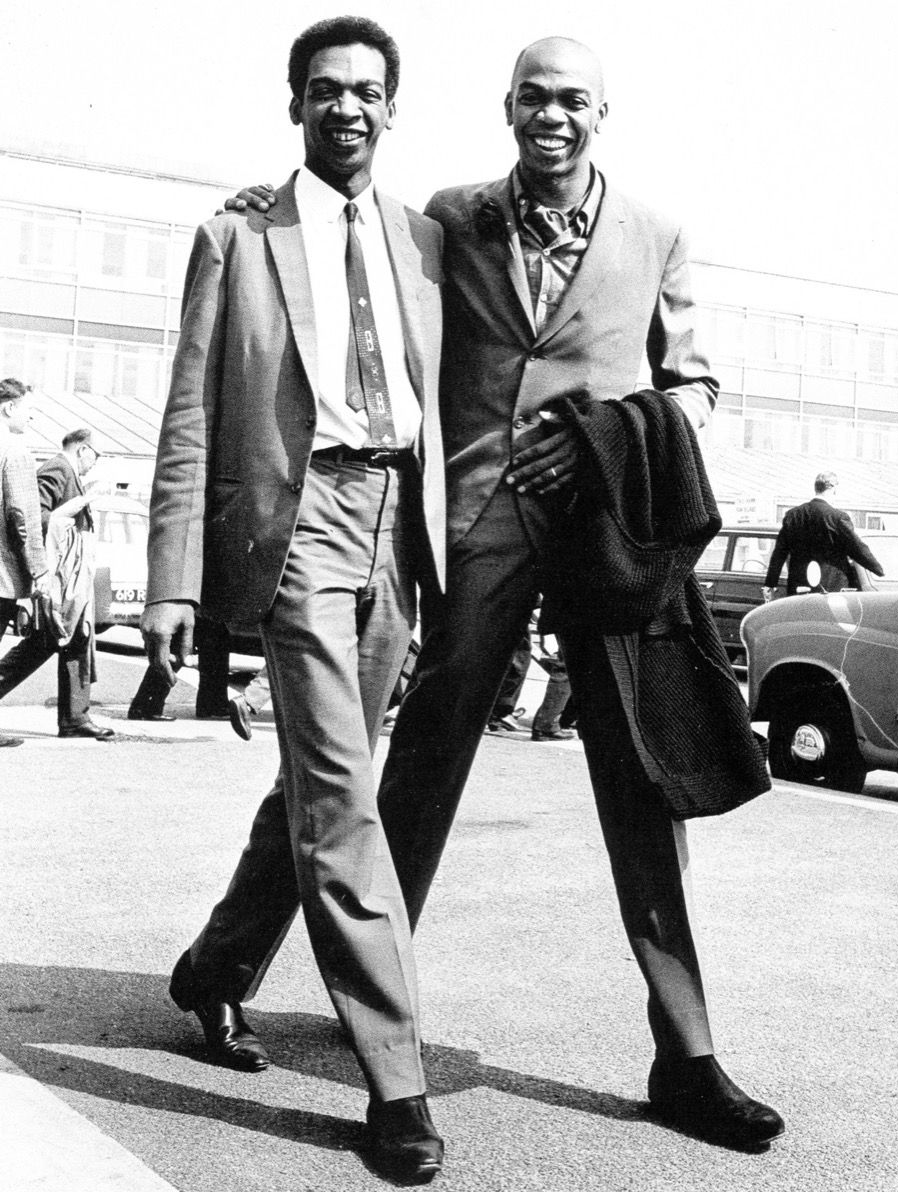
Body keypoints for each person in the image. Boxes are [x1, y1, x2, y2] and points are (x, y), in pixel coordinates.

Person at [230, 34, 783, 1152]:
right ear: (507, 109)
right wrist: (266, 208)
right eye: (534, 98)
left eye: (573, 100)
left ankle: (687, 1056)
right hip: (475, 528)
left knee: (642, 790)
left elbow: (700, 386)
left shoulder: (658, 234)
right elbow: (355, 255)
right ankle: (326, 984)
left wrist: (607, 438)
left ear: (602, 113)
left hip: (608, 541)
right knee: (409, 775)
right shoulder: (450, 218)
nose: (553, 117)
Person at [141, 17, 446, 1183]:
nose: (347, 108)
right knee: (342, 799)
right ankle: (396, 1077)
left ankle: (215, 970)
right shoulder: (239, 236)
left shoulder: (425, 241)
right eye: (325, 90)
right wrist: (173, 581)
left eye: (368, 91)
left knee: (325, 785)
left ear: (391, 106)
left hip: (394, 532)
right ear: (294, 106)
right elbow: (185, 412)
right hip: (300, 519)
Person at [0, 425, 115, 740]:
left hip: (70, 578)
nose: (96, 462)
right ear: (82, 449)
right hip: (58, 578)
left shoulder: (68, 471)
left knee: (76, 639)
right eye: (97, 455)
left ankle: (76, 718)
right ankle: (75, 718)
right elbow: (37, 518)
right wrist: (85, 499)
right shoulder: (57, 468)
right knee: (46, 642)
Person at [0, 379, 50, 747]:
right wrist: (39, 569)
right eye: (29, 408)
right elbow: (22, 516)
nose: (33, 415)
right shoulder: (15, 450)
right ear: (8, 408)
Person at [762, 470, 884, 599]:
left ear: (816, 488)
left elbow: (779, 552)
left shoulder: (792, 515)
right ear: (833, 489)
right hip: (831, 589)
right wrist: (878, 570)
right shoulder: (837, 517)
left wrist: (770, 582)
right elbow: (857, 548)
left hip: (798, 588)